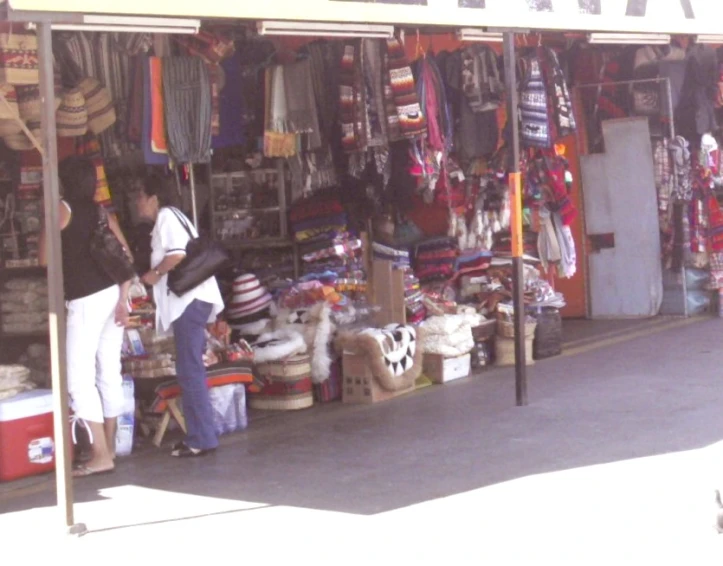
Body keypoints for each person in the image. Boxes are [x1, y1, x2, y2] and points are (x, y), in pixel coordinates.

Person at [39, 156, 133, 477]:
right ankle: (108, 447)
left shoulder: (62, 209)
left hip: (85, 299)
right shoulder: (101, 212)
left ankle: (100, 455)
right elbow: (125, 254)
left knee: (78, 378)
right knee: (109, 370)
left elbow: (43, 258)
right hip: (111, 295)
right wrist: (123, 298)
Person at [136, 173, 225, 457]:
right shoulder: (176, 216)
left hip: (188, 302)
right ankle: (202, 435)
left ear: (153, 198)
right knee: (192, 369)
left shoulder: (166, 217)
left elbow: (176, 255)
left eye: (140, 196)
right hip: (194, 302)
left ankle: (201, 439)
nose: (136, 203)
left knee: (190, 371)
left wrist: (154, 273)